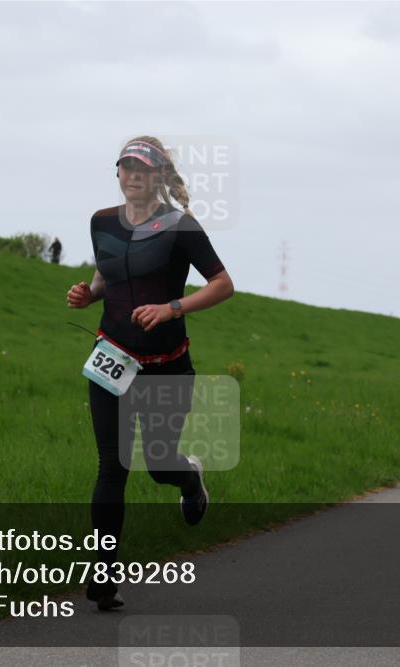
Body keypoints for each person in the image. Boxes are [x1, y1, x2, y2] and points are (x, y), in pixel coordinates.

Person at [66, 136, 234, 610]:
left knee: (160, 464)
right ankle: (103, 577)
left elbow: (223, 285)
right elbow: (107, 276)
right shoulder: (100, 222)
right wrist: (89, 294)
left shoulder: (180, 226)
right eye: (126, 167)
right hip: (112, 359)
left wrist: (171, 308)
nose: (133, 176)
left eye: (142, 169)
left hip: (166, 366)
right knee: (111, 466)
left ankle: (189, 477)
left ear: (158, 176)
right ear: (117, 172)